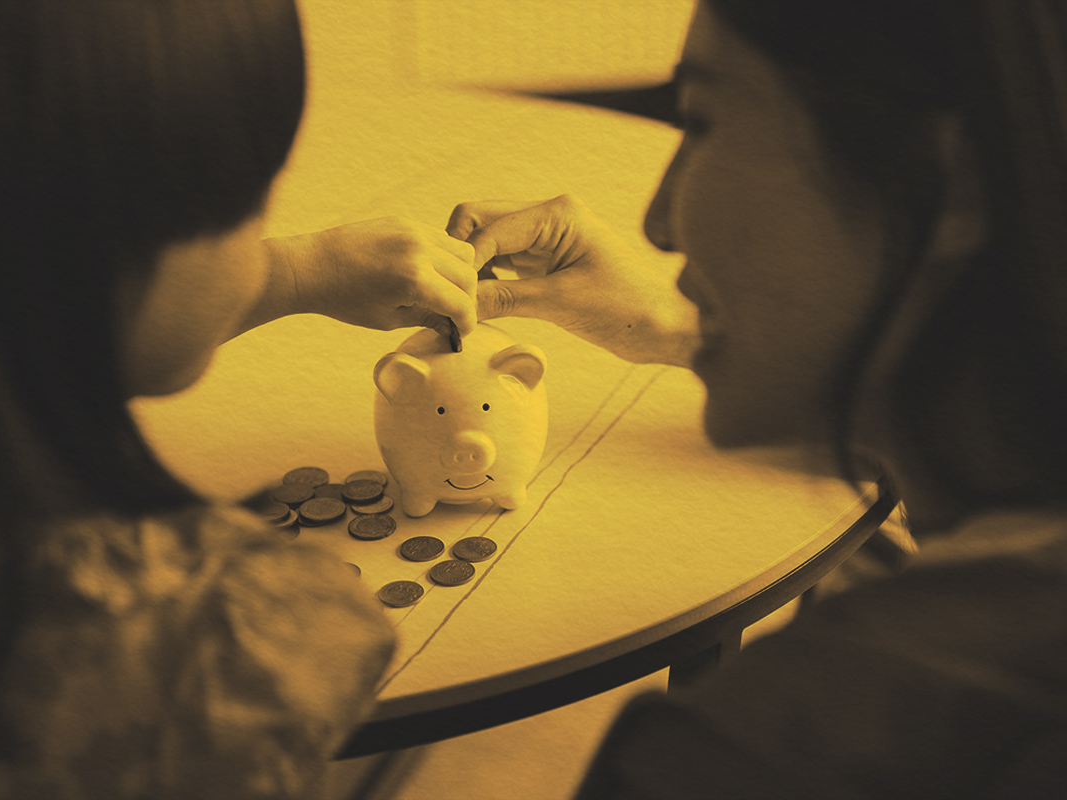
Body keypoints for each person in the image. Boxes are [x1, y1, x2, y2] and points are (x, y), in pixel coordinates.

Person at [447, 0, 1067, 796]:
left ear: (943, 184)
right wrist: (693, 330)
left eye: (701, 122)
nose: (661, 220)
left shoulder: (753, 752)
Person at [0, 1, 476, 797]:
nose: (258, 247)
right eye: (255, 195)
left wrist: (301, 271)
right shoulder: (232, 644)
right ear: (98, 242)